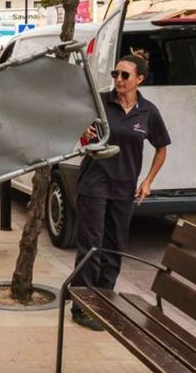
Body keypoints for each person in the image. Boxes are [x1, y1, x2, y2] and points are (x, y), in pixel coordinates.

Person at [69, 54, 169, 331]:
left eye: (125, 76)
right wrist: (82, 130)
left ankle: (105, 300)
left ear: (139, 79)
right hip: (94, 183)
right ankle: (82, 304)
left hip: (124, 188)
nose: (119, 80)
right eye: (116, 74)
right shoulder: (101, 102)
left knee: (114, 247)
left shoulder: (148, 112)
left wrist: (148, 181)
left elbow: (162, 148)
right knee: (91, 246)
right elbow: (76, 127)